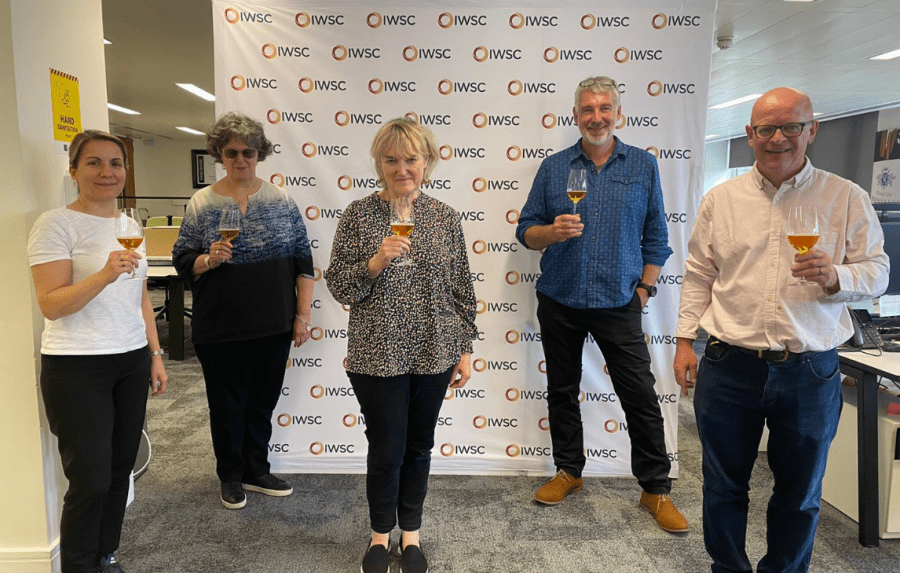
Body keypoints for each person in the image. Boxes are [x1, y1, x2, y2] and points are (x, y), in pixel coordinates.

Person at [673, 87, 889, 573]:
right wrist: (684, 342)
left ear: (812, 130)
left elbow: (878, 271)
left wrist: (838, 276)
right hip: (728, 366)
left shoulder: (845, 197)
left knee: (800, 492)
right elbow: (700, 274)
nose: (778, 138)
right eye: (766, 128)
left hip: (809, 372)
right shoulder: (721, 199)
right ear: (750, 135)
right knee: (722, 486)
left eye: (791, 126)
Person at [515, 76, 688, 533]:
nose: (597, 117)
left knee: (640, 395)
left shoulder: (643, 166)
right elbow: (526, 230)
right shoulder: (554, 168)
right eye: (588, 110)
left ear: (618, 113)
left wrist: (644, 290)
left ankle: (655, 489)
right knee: (562, 390)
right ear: (576, 116)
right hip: (560, 298)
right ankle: (569, 471)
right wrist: (551, 232)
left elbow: (657, 236)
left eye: (604, 108)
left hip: (618, 300)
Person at [325, 118, 477, 573]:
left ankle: (410, 534)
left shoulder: (445, 217)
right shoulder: (358, 215)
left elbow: (461, 289)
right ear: (379, 164)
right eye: (391, 159)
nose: (401, 168)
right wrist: (376, 260)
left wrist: (465, 349)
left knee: (419, 446)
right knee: (386, 449)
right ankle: (379, 536)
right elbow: (339, 285)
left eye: (411, 158)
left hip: (435, 350)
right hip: (378, 353)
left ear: (427, 161)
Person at [28, 130, 168, 573]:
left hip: (130, 360)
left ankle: (105, 555)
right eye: (94, 162)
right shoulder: (56, 224)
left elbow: (139, 297)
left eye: (115, 163)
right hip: (76, 365)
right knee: (89, 479)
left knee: (120, 467)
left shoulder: (129, 227)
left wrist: (155, 353)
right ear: (74, 170)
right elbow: (51, 304)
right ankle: (78, 566)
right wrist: (105, 274)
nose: (107, 172)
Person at [172, 111, 314, 510]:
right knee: (226, 406)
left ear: (259, 154)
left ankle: (257, 470)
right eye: (231, 152)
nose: (240, 159)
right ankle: (231, 476)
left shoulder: (281, 200)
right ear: (219, 154)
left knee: (262, 404)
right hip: (219, 327)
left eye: (248, 152)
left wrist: (301, 317)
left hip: (273, 324)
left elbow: (303, 262)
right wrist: (207, 259)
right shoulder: (202, 202)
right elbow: (182, 259)